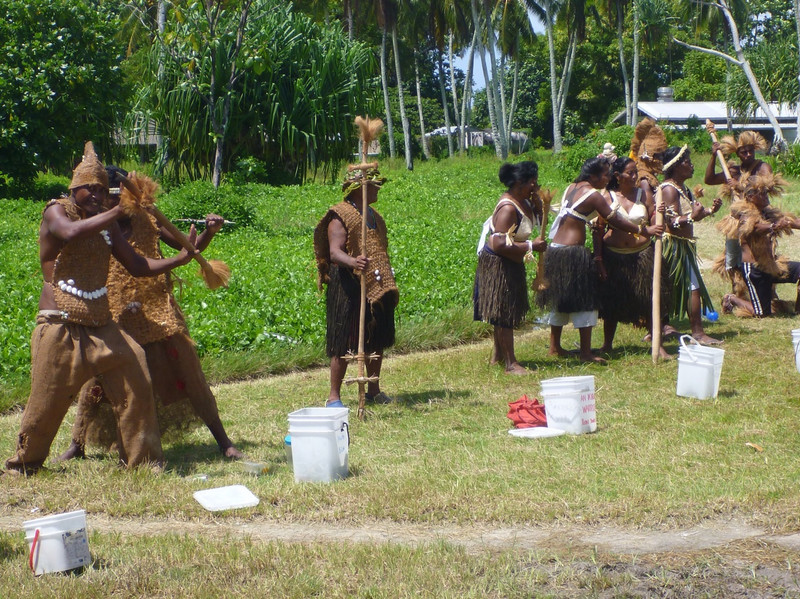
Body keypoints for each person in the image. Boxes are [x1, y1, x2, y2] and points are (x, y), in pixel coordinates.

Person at [4, 142, 196, 474]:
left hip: (100, 322)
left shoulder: (104, 223)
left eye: (99, 189)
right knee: (46, 403)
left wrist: (181, 257)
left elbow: (135, 263)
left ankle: (143, 462)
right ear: (73, 188)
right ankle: (25, 463)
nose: (94, 194)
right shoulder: (57, 211)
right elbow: (71, 232)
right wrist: (117, 210)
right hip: (58, 324)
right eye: (87, 189)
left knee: (136, 372)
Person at [57, 169, 242, 463]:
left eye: (122, 193)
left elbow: (188, 250)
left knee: (187, 369)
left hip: (157, 307)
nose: (116, 200)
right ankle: (77, 445)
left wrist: (208, 232)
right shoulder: (96, 227)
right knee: (97, 379)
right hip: (113, 309)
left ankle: (224, 441)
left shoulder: (148, 218)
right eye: (110, 195)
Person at [537, 157, 663, 363]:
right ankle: (586, 353)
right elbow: (615, 219)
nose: (608, 179)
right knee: (586, 301)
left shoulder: (572, 187)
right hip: (572, 253)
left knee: (560, 299)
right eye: (605, 175)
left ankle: (555, 347)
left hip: (556, 249)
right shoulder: (594, 195)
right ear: (593, 176)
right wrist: (643, 229)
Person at [313, 167, 398, 407]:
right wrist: (353, 261)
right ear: (361, 188)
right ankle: (334, 396)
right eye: (374, 184)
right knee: (343, 339)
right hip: (348, 285)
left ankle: (374, 389)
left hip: (376, 283)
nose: (378, 188)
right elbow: (334, 252)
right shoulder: (339, 216)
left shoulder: (374, 216)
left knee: (377, 336)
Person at [594, 157, 671, 359]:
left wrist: (658, 216)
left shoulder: (643, 194)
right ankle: (607, 344)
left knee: (650, 300)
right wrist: (599, 259)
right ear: (618, 177)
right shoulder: (607, 197)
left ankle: (658, 345)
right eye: (630, 173)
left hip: (642, 254)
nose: (635, 176)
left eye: (636, 172)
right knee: (612, 303)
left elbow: (654, 218)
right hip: (614, 256)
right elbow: (598, 230)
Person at [473, 161, 546, 375]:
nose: (535, 186)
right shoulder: (508, 207)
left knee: (505, 310)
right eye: (532, 182)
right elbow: (498, 243)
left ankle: (497, 357)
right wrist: (531, 246)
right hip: (498, 262)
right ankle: (510, 363)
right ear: (519, 183)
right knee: (503, 312)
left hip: (512, 261)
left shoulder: (524, 202)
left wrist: (539, 208)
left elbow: (533, 226)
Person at [655, 145, 723, 344]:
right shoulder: (668, 189)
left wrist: (710, 210)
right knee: (691, 288)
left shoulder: (682, 189)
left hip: (683, 245)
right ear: (675, 166)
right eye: (687, 162)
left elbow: (691, 217)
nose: (692, 166)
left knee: (683, 288)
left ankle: (661, 329)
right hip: (673, 246)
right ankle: (696, 332)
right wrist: (692, 216)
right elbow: (672, 222)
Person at [716, 173, 800, 317]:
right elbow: (757, 228)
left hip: (772, 265)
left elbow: (791, 221)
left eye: (765, 192)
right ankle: (731, 298)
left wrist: (790, 223)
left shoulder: (768, 212)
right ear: (750, 197)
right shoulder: (744, 214)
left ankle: (798, 310)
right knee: (762, 313)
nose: (765, 195)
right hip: (755, 270)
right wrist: (774, 226)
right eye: (760, 193)